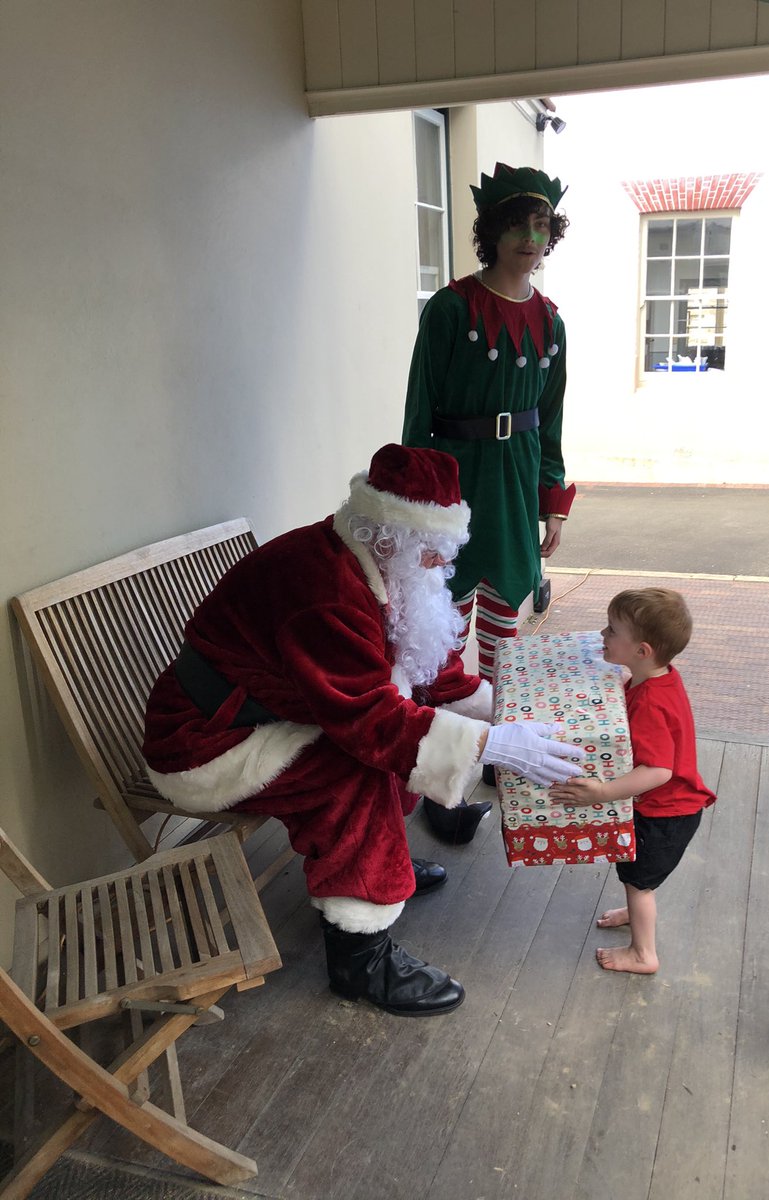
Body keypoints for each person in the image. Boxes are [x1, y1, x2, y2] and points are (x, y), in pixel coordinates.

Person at [142, 443, 584, 1017]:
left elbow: (427, 660)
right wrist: (492, 745)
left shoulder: (376, 562)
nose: (437, 566)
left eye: (443, 550)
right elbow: (367, 720)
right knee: (356, 771)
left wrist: (504, 712)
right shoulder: (323, 590)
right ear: (387, 536)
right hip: (206, 741)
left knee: (392, 733)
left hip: (275, 713)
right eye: (429, 550)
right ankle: (360, 960)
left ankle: (382, 863)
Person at [402, 162, 575, 841]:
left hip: (516, 480)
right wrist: (418, 509)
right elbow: (420, 413)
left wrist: (552, 500)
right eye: (516, 224)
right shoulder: (450, 310)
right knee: (442, 638)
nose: (529, 237)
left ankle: (502, 756)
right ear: (492, 232)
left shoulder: (552, 324)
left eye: (540, 225)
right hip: (454, 484)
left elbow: (553, 418)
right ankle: (441, 787)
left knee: (506, 636)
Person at [549, 588, 715, 975]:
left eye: (611, 631)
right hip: (668, 810)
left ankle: (643, 954)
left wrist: (602, 793)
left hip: (664, 816)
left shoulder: (650, 702)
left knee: (640, 883)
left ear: (641, 651)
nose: (603, 635)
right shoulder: (657, 679)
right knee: (636, 878)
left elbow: (659, 771)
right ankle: (636, 907)